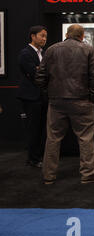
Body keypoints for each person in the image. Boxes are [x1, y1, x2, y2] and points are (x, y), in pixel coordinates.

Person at [35, 24, 94, 185]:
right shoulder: (88, 50)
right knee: (86, 138)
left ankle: (48, 175)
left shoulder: (51, 49)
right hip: (81, 100)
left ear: (66, 34)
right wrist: (92, 98)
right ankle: (88, 174)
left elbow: (40, 76)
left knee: (53, 138)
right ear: (82, 36)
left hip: (56, 101)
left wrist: (49, 93)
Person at [17, 25, 48, 168]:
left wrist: (40, 70)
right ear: (33, 36)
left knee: (42, 128)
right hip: (31, 96)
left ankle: (38, 156)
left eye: (45, 36)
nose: (44, 39)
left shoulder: (44, 53)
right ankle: (33, 158)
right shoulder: (25, 53)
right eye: (41, 36)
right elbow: (35, 74)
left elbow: (42, 71)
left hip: (42, 95)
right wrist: (40, 71)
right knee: (33, 128)